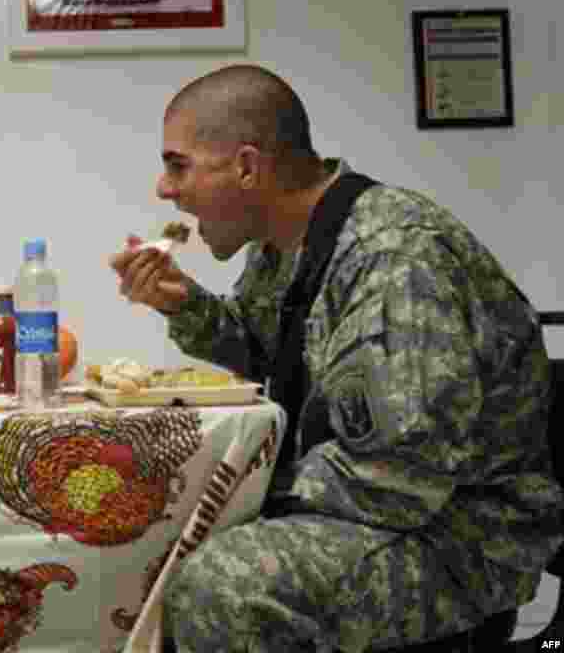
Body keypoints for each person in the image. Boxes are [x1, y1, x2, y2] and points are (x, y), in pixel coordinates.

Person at [109, 64, 564, 652]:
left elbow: (397, 476)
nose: (164, 190)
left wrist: (241, 495)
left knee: (222, 585)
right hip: (390, 511)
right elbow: (267, 351)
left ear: (247, 166)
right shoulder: (288, 247)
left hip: (460, 539)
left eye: (178, 165)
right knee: (152, 535)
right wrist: (184, 305)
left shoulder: (396, 256)